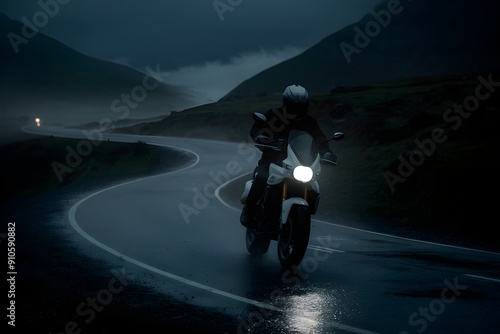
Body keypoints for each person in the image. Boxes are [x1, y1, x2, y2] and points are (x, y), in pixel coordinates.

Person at [240, 84, 337, 229]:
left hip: (299, 163)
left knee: (312, 186)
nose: (297, 110)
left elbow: (320, 139)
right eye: (293, 106)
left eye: (300, 106)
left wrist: (326, 152)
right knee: (261, 177)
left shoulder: (309, 122)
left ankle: (299, 220)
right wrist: (260, 137)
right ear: (285, 103)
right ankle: (248, 211)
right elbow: (258, 127)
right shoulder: (274, 115)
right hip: (272, 161)